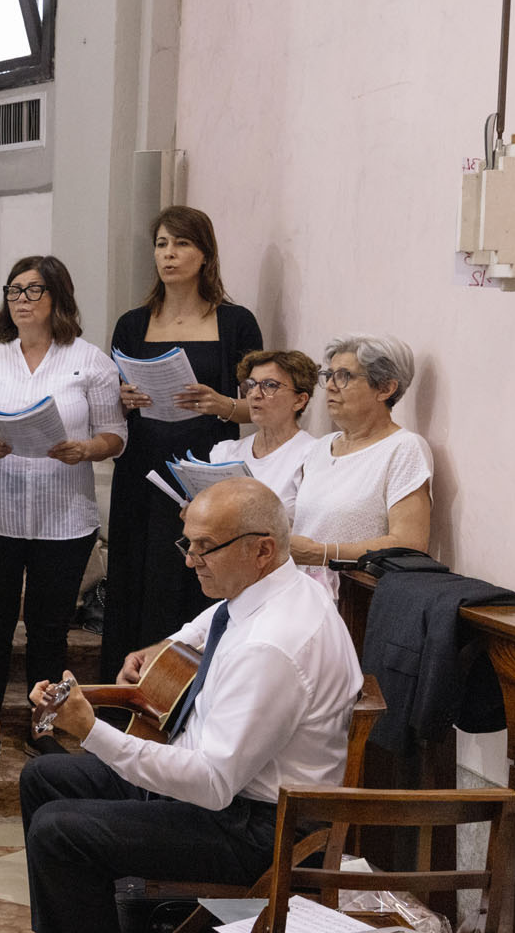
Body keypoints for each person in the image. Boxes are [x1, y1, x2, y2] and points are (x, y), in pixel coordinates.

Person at [12, 479, 360, 933]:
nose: (192, 560)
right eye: (188, 544)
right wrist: (134, 668)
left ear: (262, 548)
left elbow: (212, 784)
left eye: (206, 547)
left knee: (60, 830)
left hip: (262, 829)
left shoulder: (274, 643)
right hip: (229, 797)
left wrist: (93, 731)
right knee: (45, 779)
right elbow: (196, 634)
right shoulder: (261, 594)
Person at [0, 257, 125, 767]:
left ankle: (42, 723)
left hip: (63, 515)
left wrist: (86, 450)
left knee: (50, 628)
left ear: (58, 298)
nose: (22, 300)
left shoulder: (89, 360)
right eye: (14, 290)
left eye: (33, 291)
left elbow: (117, 434)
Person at [103, 206, 264, 677]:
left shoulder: (236, 322)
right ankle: (128, 692)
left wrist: (220, 403)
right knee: (137, 572)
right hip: (142, 464)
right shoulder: (133, 324)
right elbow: (110, 401)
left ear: (205, 254)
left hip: (204, 465)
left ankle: (190, 687)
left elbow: (257, 407)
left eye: (182, 244)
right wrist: (123, 396)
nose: (169, 255)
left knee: (194, 572)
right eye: (161, 244)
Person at [288, 335, 432, 590]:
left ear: (385, 388)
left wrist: (322, 553)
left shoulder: (403, 448)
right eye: (329, 375)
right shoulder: (321, 447)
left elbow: (409, 543)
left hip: (354, 597)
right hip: (298, 590)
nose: (331, 386)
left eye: (344, 376)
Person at [201, 350, 321, 517]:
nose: (255, 394)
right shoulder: (226, 453)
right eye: (251, 385)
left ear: (299, 400)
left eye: (270, 385)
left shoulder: (312, 455)